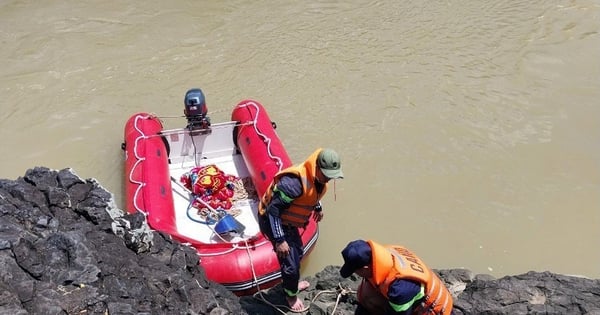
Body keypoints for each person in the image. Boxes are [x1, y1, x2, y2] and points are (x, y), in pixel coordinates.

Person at [258, 148, 344, 311]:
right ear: (317, 168)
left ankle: (292, 283)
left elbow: (312, 195)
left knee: (297, 254)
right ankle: (290, 295)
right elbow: (273, 211)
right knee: (290, 264)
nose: (328, 179)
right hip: (273, 220)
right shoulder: (294, 184)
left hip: (288, 222)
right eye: (326, 175)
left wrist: (317, 208)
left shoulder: (317, 179)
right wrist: (280, 239)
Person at [339, 239, 454, 315]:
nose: (355, 274)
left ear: (365, 268)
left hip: (434, 309)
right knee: (366, 294)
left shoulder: (400, 290)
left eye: (355, 271)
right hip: (410, 296)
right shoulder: (384, 254)